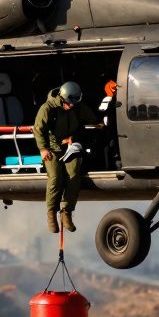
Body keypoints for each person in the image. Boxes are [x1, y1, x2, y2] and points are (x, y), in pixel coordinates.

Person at [33, 81, 100, 233]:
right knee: (55, 178)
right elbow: (38, 129)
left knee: (74, 175)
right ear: (62, 99)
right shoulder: (48, 108)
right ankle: (51, 214)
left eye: (74, 104)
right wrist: (43, 149)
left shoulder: (77, 106)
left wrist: (98, 123)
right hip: (51, 148)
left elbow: (91, 118)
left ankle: (66, 212)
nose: (71, 107)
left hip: (69, 147)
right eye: (69, 104)